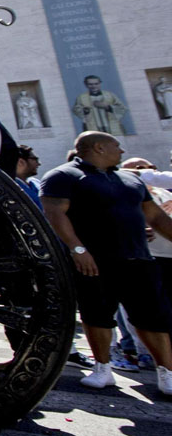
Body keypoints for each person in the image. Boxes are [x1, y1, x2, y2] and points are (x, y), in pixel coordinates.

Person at [40, 132, 172, 394]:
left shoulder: (131, 179)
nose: (121, 151)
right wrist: (78, 249)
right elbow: (55, 214)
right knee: (97, 315)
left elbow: (156, 217)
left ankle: (166, 372)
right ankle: (102, 368)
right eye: (116, 146)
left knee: (151, 317)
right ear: (99, 148)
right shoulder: (63, 175)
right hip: (94, 260)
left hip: (138, 258)